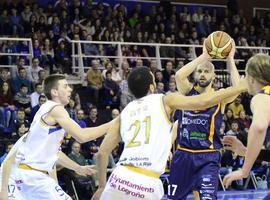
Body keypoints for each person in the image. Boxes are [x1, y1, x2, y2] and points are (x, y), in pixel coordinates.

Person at [91, 65, 247, 200]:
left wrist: (101, 187)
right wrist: (241, 86)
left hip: (119, 177)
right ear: (152, 87)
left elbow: (102, 153)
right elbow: (203, 101)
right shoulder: (165, 100)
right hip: (148, 180)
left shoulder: (125, 112)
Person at [10, 74, 113, 200]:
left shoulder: (47, 110)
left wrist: (78, 168)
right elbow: (82, 136)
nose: (70, 89)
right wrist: (113, 124)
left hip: (26, 176)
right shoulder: (56, 109)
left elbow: (56, 153)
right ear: (55, 92)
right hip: (34, 176)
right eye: (65, 86)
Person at [168, 40, 241, 200]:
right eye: (199, 71)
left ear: (213, 76)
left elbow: (238, 87)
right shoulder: (187, 92)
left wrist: (230, 59)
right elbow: (179, 75)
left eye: (206, 71)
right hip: (183, 154)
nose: (202, 74)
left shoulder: (219, 97)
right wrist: (203, 56)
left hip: (207, 157)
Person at [0, 134, 97, 200]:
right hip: (9, 175)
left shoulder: (54, 137)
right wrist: (4, 190)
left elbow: (52, 162)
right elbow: (8, 162)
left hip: (32, 178)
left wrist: (55, 184)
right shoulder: (35, 135)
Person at [223, 54, 270, 188]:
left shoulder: (261, 97)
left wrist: (244, 170)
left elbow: (259, 127)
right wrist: (245, 151)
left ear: (252, 79)